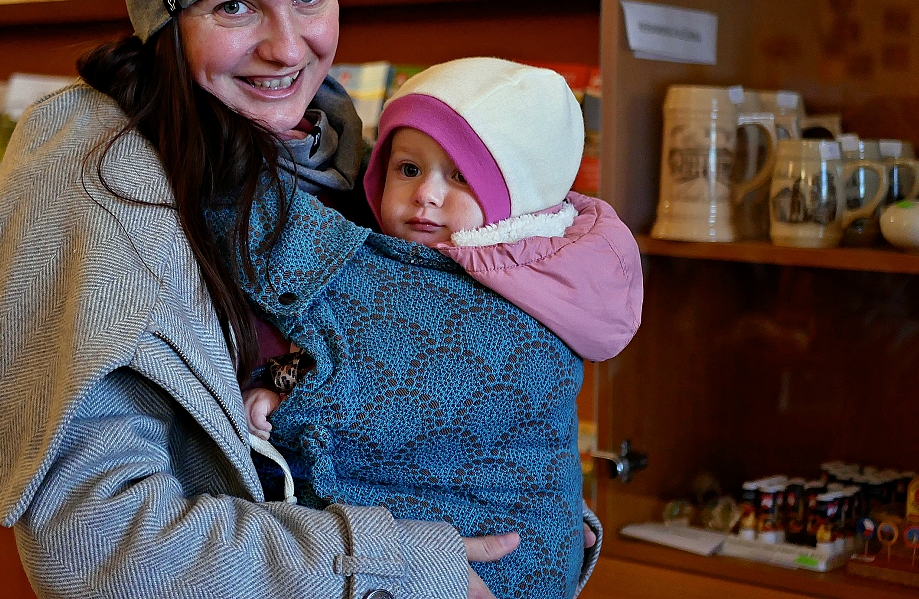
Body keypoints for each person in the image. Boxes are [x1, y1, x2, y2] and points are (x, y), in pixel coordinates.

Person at [0, 0, 597, 598]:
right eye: (234, 6)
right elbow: (93, 544)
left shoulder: (339, 147)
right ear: (164, 22)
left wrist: (520, 504)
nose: (287, 46)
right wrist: (396, 563)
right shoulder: (104, 179)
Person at [227, 58, 643, 599]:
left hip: (495, 555)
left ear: (515, 198)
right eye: (408, 169)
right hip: (438, 555)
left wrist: (291, 404)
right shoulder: (413, 263)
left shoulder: (514, 304)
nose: (426, 194)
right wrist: (280, 381)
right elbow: (355, 352)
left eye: (461, 176)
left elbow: (402, 394)